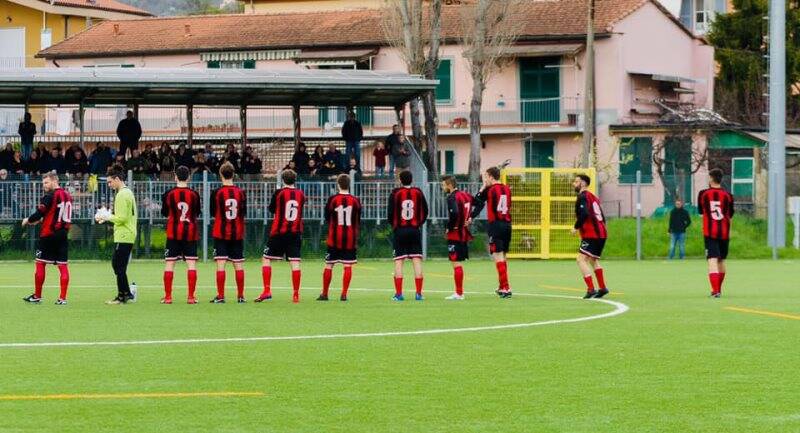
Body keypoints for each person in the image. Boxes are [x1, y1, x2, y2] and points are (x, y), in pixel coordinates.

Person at [22, 172, 72, 305]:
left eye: (46, 182)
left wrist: (28, 220)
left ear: (55, 181)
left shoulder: (50, 196)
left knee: (40, 263)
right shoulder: (67, 195)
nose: (44, 185)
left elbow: (40, 212)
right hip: (63, 235)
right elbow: (55, 213)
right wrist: (42, 220)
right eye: (43, 183)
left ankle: (37, 296)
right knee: (63, 266)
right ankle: (62, 299)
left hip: (48, 235)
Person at [257, 169, 305, 303]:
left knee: (266, 259)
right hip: (295, 233)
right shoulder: (301, 194)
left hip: (279, 232)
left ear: (283, 180)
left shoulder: (279, 193)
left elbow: (272, 209)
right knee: (295, 262)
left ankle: (267, 291)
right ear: (295, 180)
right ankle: (296, 295)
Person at [160, 166, 202, 304]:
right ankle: (190, 297)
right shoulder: (194, 194)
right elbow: (196, 213)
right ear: (189, 177)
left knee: (170, 263)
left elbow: (165, 212)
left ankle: (168, 297)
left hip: (173, 232)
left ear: (175, 176)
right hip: (190, 232)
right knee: (191, 263)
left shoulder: (168, 194)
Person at [317, 173, 362, 302]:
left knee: (329, 265)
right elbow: (358, 219)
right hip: (350, 237)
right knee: (347, 266)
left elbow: (327, 217)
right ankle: (344, 294)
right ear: (349, 185)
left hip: (334, 237)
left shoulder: (333, 199)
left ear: (338, 185)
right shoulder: (355, 200)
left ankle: (325, 294)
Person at [471, 166, 513, 298]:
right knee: (503, 256)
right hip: (507, 224)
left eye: (485, 177)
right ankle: (502, 286)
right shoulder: (507, 189)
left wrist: (483, 187)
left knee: (497, 256)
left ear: (490, 176)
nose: (485, 179)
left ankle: (506, 288)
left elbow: (476, 201)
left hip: (495, 225)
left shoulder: (490, 189)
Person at [98, 168, 138, 305]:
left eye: (110, 182)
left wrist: (107, 216)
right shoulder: (128, 192)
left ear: (117, 179)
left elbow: (121, 218)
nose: (109, 185)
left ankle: (123, 296)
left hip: (124, 234)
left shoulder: (121, 194)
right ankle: (126, 293)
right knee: (119, 265)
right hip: (127, 233)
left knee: (118, 265)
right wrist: (108, 216)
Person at [387, 170, 428, 301]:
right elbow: (425, 211)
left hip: (400, 230)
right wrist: (418, 224)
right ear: (412, 180)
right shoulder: (418, 192)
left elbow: (390, 213)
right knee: (416, 261)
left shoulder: (395, 193)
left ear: (400, 180)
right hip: (415, 230)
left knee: (399, 261)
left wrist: (395, 226)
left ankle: (399, 294)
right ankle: (419, 294)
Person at [209, 162, 247, 304]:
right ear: (233, 174)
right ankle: (241, 296)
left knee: (221, 263)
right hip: (237, 233)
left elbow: (213, 213)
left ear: (220, 174)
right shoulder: (241, 193)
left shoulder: (216, 193)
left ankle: (221, 296)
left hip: (221, 233)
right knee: (238, 264)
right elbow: (243, 213)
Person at [570, 174, 610, 299]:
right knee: (593, 260)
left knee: (580, 259)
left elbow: (584, 214)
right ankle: (602, 288)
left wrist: (576, 227)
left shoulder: (582, 196)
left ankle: (591, 289)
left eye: (576, 182)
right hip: (601, 233)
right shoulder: (593, 197)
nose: (573, 184)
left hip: (592, 234)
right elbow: (602, 216)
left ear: (582, 183)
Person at [697, 168, 734, 298]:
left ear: (711, 178)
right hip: (724, 232)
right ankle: (718, 290)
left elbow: (701, 212)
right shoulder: (728, 195)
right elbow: (731, 215)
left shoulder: (703, 194)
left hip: (710, 232)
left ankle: (715, 290)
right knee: (721, 261)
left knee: (712, 260)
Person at [442, 175, 473, 300]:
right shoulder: (465, 195)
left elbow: (454, 213)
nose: (442, 187)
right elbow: (478, 203)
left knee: (456, 263)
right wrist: (470, 217)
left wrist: (449, 226)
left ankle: (459, 293)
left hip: (455, 233)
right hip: (463, 233)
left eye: (443, 185)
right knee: (458, 263)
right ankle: (459, 292)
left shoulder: (451, 197)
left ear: (449, 185)